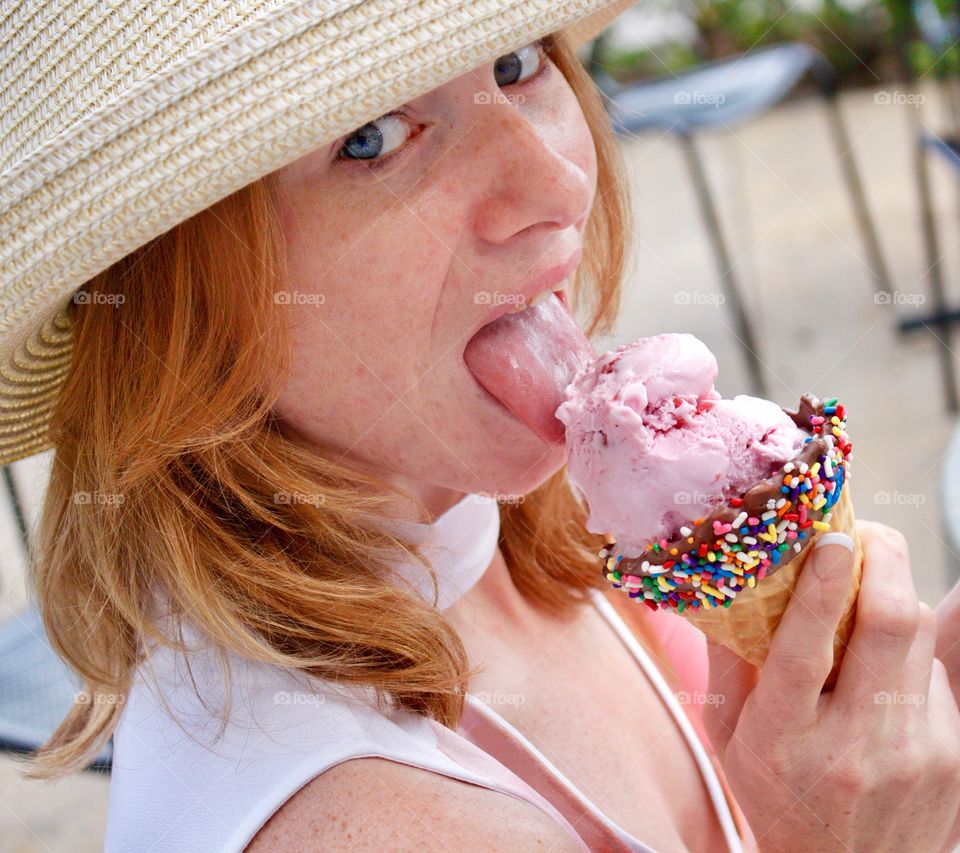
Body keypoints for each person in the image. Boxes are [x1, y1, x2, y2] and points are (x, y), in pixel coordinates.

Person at [2, 2, 959, 850]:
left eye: (515, 64)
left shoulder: (513, 519)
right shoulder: (393, 821)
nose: (552, 182)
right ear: (178, 306)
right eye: (371, 137)